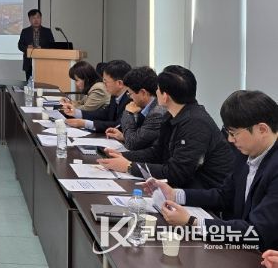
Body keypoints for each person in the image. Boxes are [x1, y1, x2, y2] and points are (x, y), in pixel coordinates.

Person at [145, 90, 278, 250]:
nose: (230, 139)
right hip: (239, 248)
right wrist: (175, 194)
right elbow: (224, 196)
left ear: (262, 129)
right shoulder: (247, 152)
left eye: (234, 133)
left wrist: (193, 221)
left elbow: (257, 232)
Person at [98, 65, 233, 189]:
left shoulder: (195, 123)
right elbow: (157, 152)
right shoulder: (172, 115)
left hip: (203, 193)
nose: (155, 92)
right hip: (184, 188)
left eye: (157, 89)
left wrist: (130, 167)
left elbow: (176, 173)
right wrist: (122, 156)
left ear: (165, 96)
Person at [104, 66, 166, 150]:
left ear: (143, 93)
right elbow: (139, 138)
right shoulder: (147, 107)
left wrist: (128, 113)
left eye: (130, 93)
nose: (130, 97)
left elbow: (132, 144)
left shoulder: (157, 113)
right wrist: (124, 136)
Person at [62, 60, 132, 132]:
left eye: (106, 81)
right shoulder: (115, 95)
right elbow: (104, 114)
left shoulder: (131, 99)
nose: (103, 84)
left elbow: (119, 125)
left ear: (119, 83)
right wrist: (76, 113)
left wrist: (85, 123)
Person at [17, 9, 55, 81]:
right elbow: (20, 45)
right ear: (29, 20)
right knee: (30, 85)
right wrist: (27, 47)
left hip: (44, 63)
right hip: (29, 64)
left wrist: (42, 48)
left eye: (38, 17)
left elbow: (52, 45)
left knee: (43, 84)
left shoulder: (47, 31)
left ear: (41, 18)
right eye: (33, 18)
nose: (36, 20)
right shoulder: (25, 31)